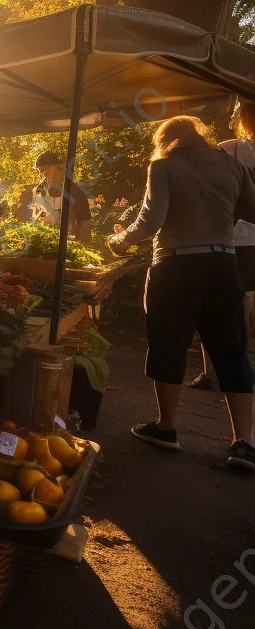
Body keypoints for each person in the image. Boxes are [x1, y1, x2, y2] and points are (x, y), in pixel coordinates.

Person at [108, 115, 255, 471]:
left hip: (175, 267)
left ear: (166, 141)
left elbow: (151, 219)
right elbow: (251, 210)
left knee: (168, 342)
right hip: (223, 265)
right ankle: (245, 443)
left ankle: (166, 428)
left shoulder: (164, 166)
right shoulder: (232, 164)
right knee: (232, 349)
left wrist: (119, 240)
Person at [187, 98, 255, 390]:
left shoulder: (229, 149)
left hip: (227, 239)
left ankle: (210, 373)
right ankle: (244, 368)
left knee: (214, 304)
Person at [30, 151, 93, 243]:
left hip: (68, 245)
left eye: (45, 169)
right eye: (40, 170)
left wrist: (83, 248)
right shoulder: (39, 191)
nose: (43, 173)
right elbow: (35, 218)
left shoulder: (75, 192)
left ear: (60, 167)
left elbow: (85, 224)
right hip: (44, 243)